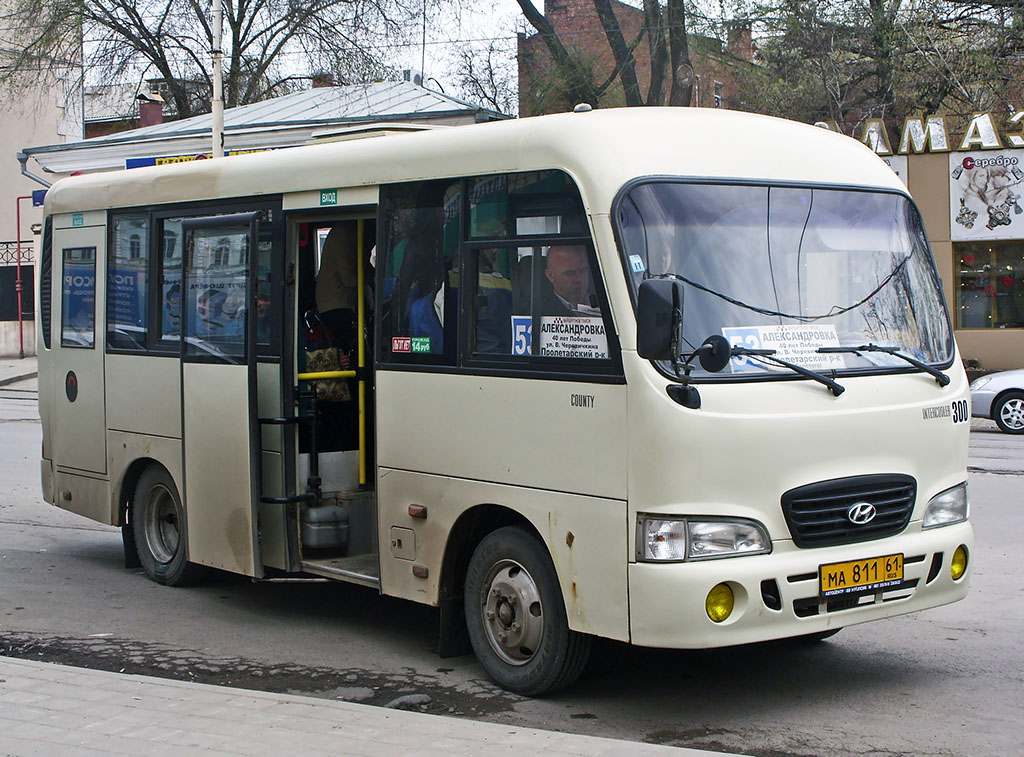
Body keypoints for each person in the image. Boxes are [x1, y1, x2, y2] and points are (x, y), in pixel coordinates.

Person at [537, 245, 595, 315]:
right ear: (550, 276)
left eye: (583, 271)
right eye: (570, 273)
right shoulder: (539, 313)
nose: (579, 279)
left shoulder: (605, 301)